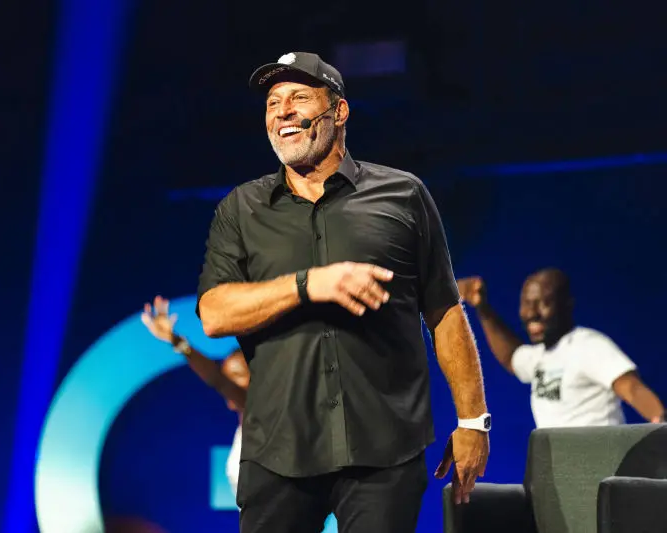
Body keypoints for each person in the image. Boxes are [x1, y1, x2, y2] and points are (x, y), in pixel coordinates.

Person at [196, 51, 491, 533]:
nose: (282, 112)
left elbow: (444, 312)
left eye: (298, 97)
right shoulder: (241, 209)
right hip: (278, 453)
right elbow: (213, 314)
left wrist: (473, 421)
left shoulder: (403, 195)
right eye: (272, 103)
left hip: (386, 450)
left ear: (339, 111)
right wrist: (306, 285)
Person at [458, 269, 665, 427]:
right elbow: (510, 356)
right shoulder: (539, 356)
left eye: (544, 303)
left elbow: (631, 388)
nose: (532, 313)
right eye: (527, 303)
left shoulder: (588, 345)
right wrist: (483, 309)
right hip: (560, 467)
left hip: (601, 464)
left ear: (567, 305)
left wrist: (660, 420)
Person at [141, 295, 249, 494]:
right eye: (227, 376)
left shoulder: (266, 413)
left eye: (237, 375)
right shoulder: (245, 430)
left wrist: (177, 341)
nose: (229, 385)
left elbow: (217, 379)